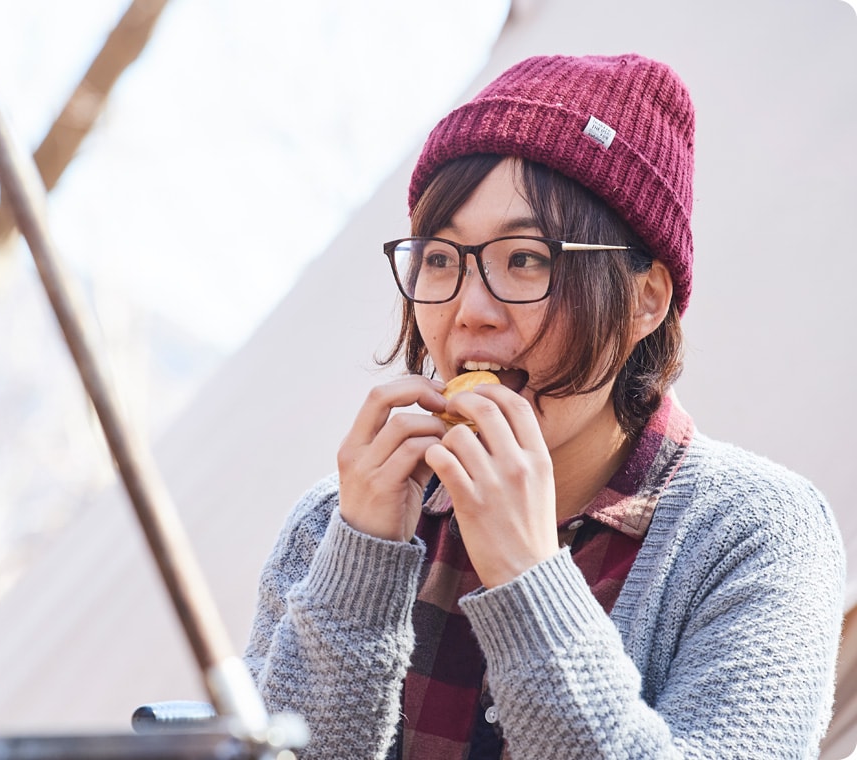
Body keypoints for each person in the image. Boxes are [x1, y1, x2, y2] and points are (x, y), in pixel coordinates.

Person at [242, 53, 845, 759]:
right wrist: (360, 564)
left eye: (526, 259)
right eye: (439, 259)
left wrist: (530, 581)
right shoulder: (337, 521)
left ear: (646, 300)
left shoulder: (753, 535)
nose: (470, 312)